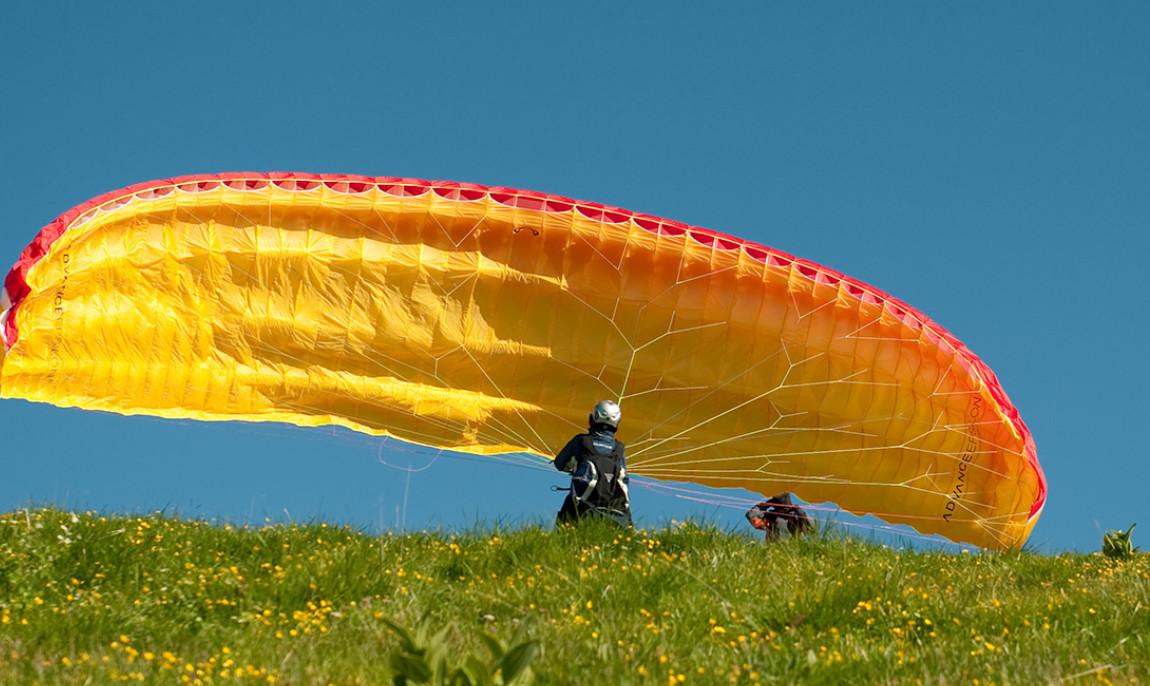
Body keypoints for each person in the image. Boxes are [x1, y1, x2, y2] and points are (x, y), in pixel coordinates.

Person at [554, 400, 632, 528]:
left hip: (583, 505)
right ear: (617, 423)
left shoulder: (580, 441)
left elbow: (559, 464)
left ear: (592, 418)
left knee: (567, 513)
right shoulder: (619, 448)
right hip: (614, 508)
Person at [745, 493, 812, 541]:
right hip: (775, 548)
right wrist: (768, 503)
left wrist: (799, 511)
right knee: (780, 521)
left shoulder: (795, 514)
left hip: (794, 548)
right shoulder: (770, 516)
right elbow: (752, 515)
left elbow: (812, 529)